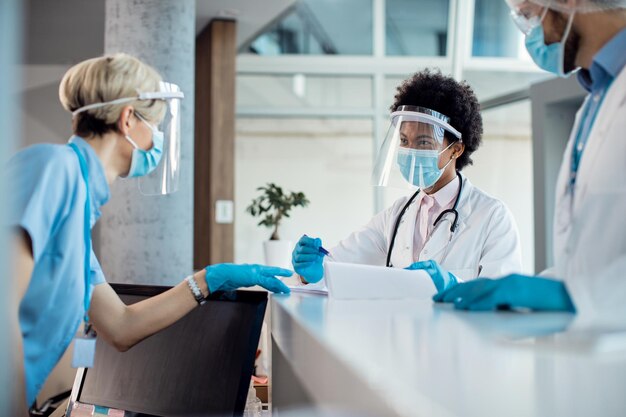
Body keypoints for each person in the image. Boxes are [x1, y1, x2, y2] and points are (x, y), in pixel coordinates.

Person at [8, 53, 292, 413]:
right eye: (153, 124)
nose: (157, 138)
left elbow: (121, 326)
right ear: (128, 119)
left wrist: (208, 280)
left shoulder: (78, 208)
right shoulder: (53, 167)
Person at [434, 0, 626, 320]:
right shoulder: (598, 97)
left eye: (528, 14)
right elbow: (589, 260)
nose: (530, 34)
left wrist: (565, 295)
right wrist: (541, 287)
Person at [292, 69, 522, 291]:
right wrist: (311, 271)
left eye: (423, 142)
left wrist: (454, 285)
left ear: (456, 149)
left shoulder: (492, 217)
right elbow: (337, 266)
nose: (410, 151)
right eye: (404, 141)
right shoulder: (397, 215)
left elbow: (501, 299)